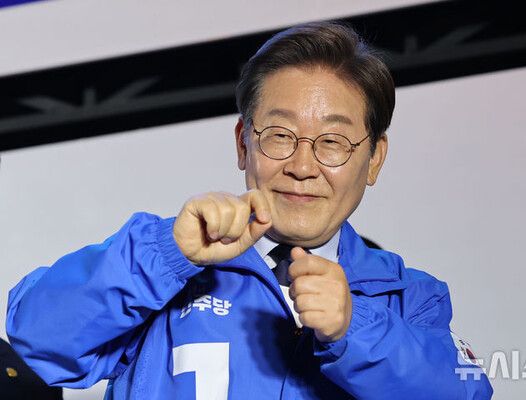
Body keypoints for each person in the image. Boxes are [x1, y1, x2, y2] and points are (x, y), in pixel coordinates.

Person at [6, 22, 493, 399]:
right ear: (244, 144)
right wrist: (167, 254)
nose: (303, 166)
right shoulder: (169, 262)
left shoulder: (410, 299)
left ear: (374, 159)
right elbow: (36, 338)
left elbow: (465, 391)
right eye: (280, 135)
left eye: (333, 141)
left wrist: (355, 327)